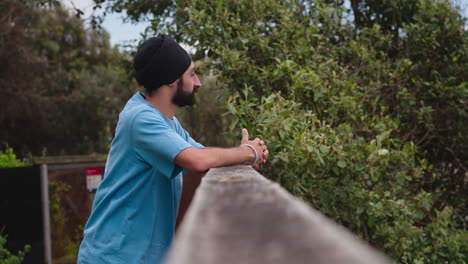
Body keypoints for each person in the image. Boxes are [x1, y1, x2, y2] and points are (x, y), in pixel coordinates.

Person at [77, 35, 269, 264]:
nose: (198, 83)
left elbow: (205, 155)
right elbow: (197, 160)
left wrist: (243, 156)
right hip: (113, 257)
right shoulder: (140, 119)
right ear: (171, 80)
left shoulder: (167, 122)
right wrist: (248, 152)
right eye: (191, 74)